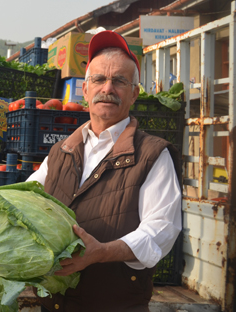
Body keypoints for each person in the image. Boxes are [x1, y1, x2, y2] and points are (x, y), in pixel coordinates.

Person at [27, 30, 182, 312]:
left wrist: (100, 253)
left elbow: (161, 231)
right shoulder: (60, 151)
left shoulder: (153, 154)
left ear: (134, 93)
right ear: (84, 90)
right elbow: (28, 203)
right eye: (98, 79)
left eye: (119, 81)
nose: (107, 88)